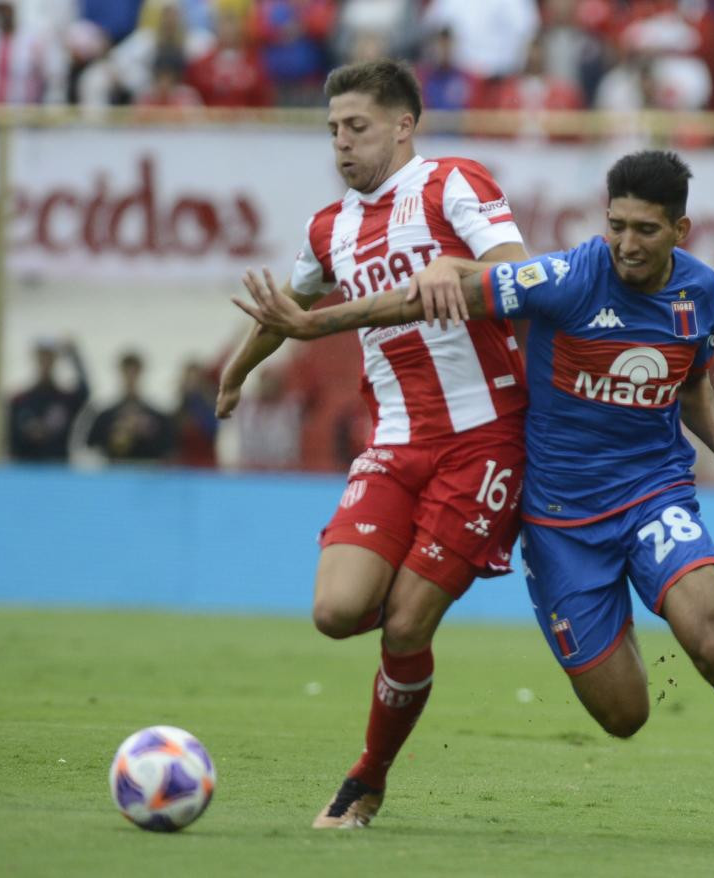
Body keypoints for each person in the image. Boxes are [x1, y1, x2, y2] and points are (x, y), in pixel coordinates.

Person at [235, 150, 714, 853]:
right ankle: (624, 611)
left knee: (711, 639)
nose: (625, 244)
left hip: (653, 495)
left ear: (681, 230)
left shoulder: (700, 292)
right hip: (560, 526)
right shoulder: (567, 278)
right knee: (624, 716)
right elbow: (443, 295)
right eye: (616, 225)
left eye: (645, 230)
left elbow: (689, 374)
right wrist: (320, 322)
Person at [216, 58, 530, 829]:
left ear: (402, 125)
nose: (341, 145)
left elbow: (521, 276)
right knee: (335, 612)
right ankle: (416, 583)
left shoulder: (455, 184)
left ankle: (366, 781)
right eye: (332, 130)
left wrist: (463, 273)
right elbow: (291, 308)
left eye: (356, 128)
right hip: (393, 443)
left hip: (484, 440)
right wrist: (233, 375)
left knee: (405, 625)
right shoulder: (329, 227)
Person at [8, 337, 90, 463]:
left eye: (49, 358)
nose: (45, 363)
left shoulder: (65, 399)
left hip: (57, 470)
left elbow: (85, 391)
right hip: (25, 471)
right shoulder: (20, 401)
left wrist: (74, 356)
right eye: (42, 358)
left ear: (54, 361)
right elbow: (11, 439)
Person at [87, 351, 174, 463]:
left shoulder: (157, 417)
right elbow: (92, 447)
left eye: (134, 372)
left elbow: (168, 448)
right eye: (127, 372)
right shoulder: (106, 416)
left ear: (140, 373)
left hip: (147, 473)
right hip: (114, 473)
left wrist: (146, 431)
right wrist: (115, 432)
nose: (130, 378)